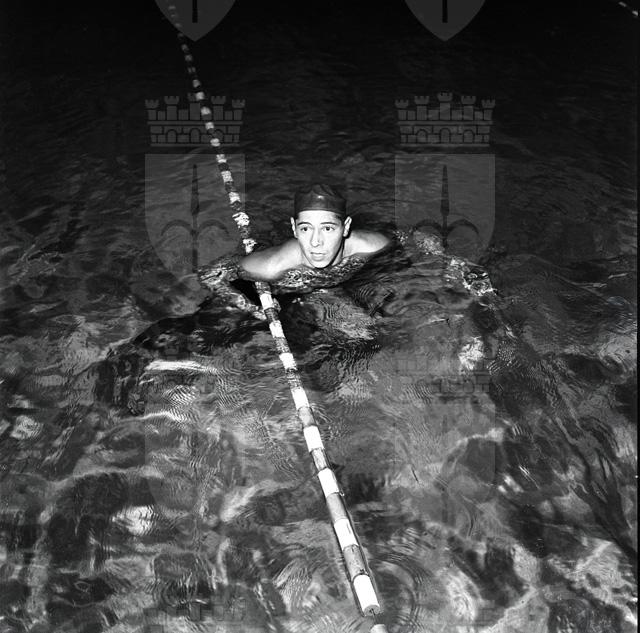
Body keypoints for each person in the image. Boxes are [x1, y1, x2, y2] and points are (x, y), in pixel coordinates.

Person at [198, 184, 392, 320]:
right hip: (281, 288)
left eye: (327, 228)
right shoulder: (271, 267)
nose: (316, 242)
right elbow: (209, 274)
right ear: (294, 228)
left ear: (346, 227)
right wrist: (251, 308)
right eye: (306, 229)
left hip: (329, 286)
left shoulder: (372, 246)